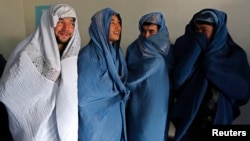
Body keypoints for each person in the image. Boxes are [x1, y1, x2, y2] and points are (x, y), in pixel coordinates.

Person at [0, 4, 81, 141]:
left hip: (61, 129)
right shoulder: (28, 51)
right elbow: (8, 91)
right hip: (33, 130)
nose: (67, 29)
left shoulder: (71, 55)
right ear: (49, 22)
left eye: (71, 23)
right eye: (60, 22)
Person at [170, 8, 250, 141]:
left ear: (217, 31)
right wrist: (195, 49)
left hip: (219, 119)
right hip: (189, 121)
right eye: (196, 30)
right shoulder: (185, 49)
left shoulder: (234, 55)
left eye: (204, 30)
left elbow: (243, 92)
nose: (199, 34)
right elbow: (178, 81)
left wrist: (210, 64)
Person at [77, 8, 130, 141]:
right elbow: (84, 98)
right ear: (100, 27)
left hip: (114, 119)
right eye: (112, 22)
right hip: (95, 123)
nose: (117, 27)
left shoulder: (117, 53)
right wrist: (115, 91)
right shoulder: (87, 56)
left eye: (119, 22)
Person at [125, 12, 173, 141]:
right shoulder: (133, 49)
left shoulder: (169, 51)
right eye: (143, 31)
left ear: (160, 31)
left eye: (151, 32)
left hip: (158, 103)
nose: (146, 36)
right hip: (136, 102)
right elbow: (127, 76)